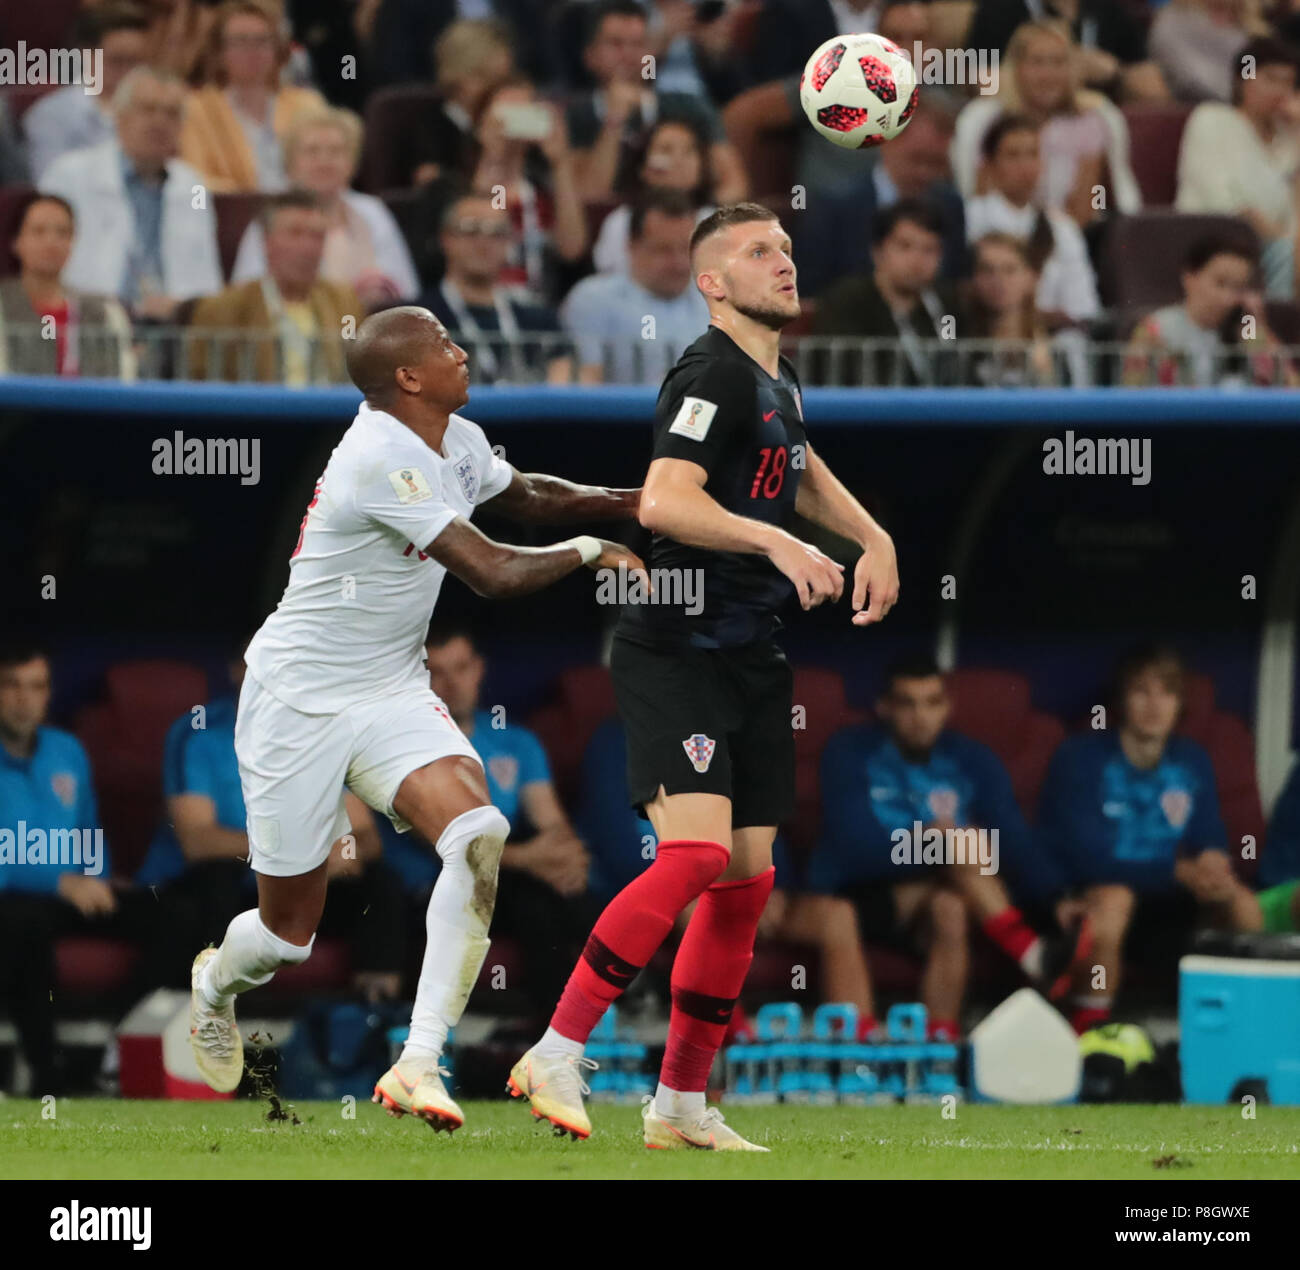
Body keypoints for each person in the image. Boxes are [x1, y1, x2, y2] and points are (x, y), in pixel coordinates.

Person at [186, 305, 643, 1138]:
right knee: (289, 934)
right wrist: (591, 549)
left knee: (479, 831)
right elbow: (494, 572)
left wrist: (637, 501)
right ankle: (215, 986)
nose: (459, 350)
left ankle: (418, 1060)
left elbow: (530, 495)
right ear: (406, 377)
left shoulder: (455, 436)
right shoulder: (379, 456)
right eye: (442, 344)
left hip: (391, 687)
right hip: (298, 700)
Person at [510, 200, 901, 1151]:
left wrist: (871, 534)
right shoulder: (709, 370)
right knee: (692, 858)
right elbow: (664, 499)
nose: (784, 262)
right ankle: (558, 1048)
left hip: (752, 654)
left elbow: (798, 468)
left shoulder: (778, 379)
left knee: (745, 883)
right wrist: (776, 541)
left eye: (788, 248)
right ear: (712, 283)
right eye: (759, 252)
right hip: (676, 644)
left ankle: (680, 1102)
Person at [808, 654, 1090, 1039]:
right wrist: (930, 840)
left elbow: (1011, 838)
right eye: (907, 704)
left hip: (933, 896)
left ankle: (936, 1045)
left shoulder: (971, 758)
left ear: (947, 707)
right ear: (884, 707)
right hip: (857, 894)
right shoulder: (850, 751)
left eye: (932, 702)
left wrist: (1057, 897)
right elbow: (854, 845)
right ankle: (1031, 953)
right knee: (959, 843)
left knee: (952, 904)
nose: (921, 716)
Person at [136, 651, 407, 1003]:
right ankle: (217, 1017)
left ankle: (374, 1016)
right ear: (237, 670)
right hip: (221, 888)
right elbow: (198, 842)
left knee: (381, 882)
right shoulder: (199, 733)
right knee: (216, 879)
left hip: (295, 891)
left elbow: (368, 839)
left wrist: (337, 852)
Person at [380, 625, 599, 1024]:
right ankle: (554, 1035)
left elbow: (552, 822)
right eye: (438, 672)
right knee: (530, 898)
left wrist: (567, 856)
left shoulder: (515, 741)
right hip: (427, 890)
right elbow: (441, 841)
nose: (453, 684)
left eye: (462, 668)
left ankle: (568, 1034)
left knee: (556, 896)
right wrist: (534, 860)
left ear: (479, 670)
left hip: (505, 882)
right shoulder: (399, 745)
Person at [0, 643, 193, 1094]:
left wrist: (97, 876)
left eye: (36, 686)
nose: (24, 698)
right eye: (11, 685)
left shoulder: (66, 750)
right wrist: (57, 881)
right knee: (22, 927)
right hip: (15, 901)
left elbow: (88, 825)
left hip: (69, 893)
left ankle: (110, 1047)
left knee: (179, 915)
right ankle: (47, 1079)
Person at [1038, 644, 1259, 1033]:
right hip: (1099, 901)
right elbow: (1088, 859)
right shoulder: (1080, 757)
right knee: (1115, 898)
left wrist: (1213, 861)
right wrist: (1174, 872)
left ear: (1179, 703)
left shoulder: (1192, 759)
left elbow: (1209, 834)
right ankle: (1091, 1033)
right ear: (1122, 700)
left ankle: (1247, 1031)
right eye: (1142, 691)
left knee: (1240, 902)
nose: (1155, 705)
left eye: (1167, 692)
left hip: (1171, 909)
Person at [39, 66, 223, 322]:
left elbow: (205, 271)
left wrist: (181, 307)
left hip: (173, 326)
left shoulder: (193, 186)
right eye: (148, 109)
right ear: (119, 116)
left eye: (171, 113)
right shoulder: (70, 173)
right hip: (91, 320)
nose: (159, 122)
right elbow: (43, 261)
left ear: (182, 126)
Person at [950, 19, 1142, 227]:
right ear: (1017, 68)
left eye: (1058, 63)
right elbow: (981, 200)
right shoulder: (989, 121)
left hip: (1066, 239)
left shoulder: (1089, 123)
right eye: (1037, 63)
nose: (1047, 76)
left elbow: (1085, 209)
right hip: (999, 238)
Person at [231, 107, 420, 309]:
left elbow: (406, 292)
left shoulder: (373, 212)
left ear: (352, 163)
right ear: (290, 163)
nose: (324, 162)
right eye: (312, 151)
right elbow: (246, 298)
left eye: (335, 151)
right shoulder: (272, 217)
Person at [565, 0, 748, 205]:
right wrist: (613, 121)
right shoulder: (575, 116)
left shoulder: (688, 107)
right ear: (591, 56)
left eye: (638, 44)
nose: (628, 55)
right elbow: (590, 197)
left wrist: (694, 214)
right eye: (616, 44)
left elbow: (735, 184)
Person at [187, 190, 363, 384]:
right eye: (295, 233)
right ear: (266, 241)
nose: (308, 247)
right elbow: (202, 385)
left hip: (331, 413)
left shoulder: (344, 304)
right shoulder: (224, 309)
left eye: (316, 236)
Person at [1175, 36, 1300, 298]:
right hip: (1215, 241)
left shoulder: (1289, 138)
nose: (1280, 91)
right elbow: (1226, 204)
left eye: (1288, 82)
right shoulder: (1211, 120)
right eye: (1270, 79)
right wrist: (1284, 243)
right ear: (1242, 80)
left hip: (1278, 251)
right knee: (1285, 252)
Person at [561, 188, 711, 384]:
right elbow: (584, 387)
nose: (680, 263)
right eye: (664, 250)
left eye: (686, 249)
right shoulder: (593, 300)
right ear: (632, 246)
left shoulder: (716, 301)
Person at [963, 114, 1101, 326]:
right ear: (990, 164)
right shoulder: (970, 219)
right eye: (1013, 155)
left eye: (1032, 154)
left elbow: (1082, 307)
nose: (1025, 166)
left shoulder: (1062, 228)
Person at [419, 192, 571, 384]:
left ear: (510, 242)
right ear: (445, 238)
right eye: (471, 230)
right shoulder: (415, 320)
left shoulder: (541, 320)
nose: (484, 242)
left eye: (496, 233)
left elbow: (560, 390)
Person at [810, 199, 964, 386]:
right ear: (878, 251)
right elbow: (849, 374)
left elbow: (964, 369)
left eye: (929, 250)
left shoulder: (947, 305)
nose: (917, 260)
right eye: (905, 246)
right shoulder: (846, 302)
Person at [178, 0, 326, 193]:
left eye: (262, 41)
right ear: (220, 52)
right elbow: (194, 177)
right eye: (240, 41)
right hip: (229, 214)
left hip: (302, 209)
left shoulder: (308, 104)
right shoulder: (195, 108)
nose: (252, 51)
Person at [1122, 233, 1298, 386]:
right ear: (1189, 278)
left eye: (1239, 288)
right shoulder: (1155, 330)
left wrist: (1255, 330)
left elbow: (1290, 390)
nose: (1228, 297)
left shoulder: (1247, 331)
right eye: (1221, 283)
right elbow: (1131, 396)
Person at [0, 194, 135, 379]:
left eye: (62, 233)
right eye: (38, 231)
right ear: (16, 241)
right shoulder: (4, 305)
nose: (51, 242)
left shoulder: (106, 312)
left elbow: (123, 380)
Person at [23, 2, 152, 182]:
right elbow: (51, 186)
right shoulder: (52, 115)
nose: (128, 72)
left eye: (137, 62)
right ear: (85, 54)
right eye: (117, 60)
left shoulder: (160, 111)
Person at [965, 0, 1168, 103]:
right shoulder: (1000, 9)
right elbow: (981, 82)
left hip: (1091, 118)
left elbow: (1155, 91)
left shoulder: (1108, 9)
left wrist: (1116, 73)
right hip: (1020, 127)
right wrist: (1057, 74)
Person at [591, 116, 716, 276]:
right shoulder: (621, 222)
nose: (679, 160)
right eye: (666, 150)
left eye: (689, 150)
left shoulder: (717, 223)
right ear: (643, 168)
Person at [963, 232, 1065, 386]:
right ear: (974, 279)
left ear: (1031, 277)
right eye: (987, 270)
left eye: (1009, 270)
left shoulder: (1058, 345)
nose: (997, 280)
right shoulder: (959, 346)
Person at [1150, 0, 1257, 104]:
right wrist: (1240, 98)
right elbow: (1190, 78)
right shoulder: (1173, 22)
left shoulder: (1250, 29)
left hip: (1246, 107)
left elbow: (1251, 69)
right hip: (1198, 108)